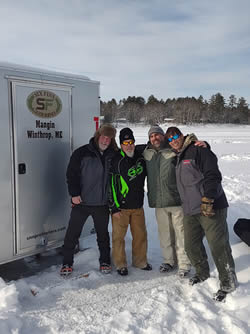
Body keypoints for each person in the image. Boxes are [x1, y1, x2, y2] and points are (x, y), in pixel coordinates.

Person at [166, 126, 238, 301]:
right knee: (190, 245)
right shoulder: (178, 156)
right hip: (191, 210)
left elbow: (213, 174)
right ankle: (202, 272)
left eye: (176, 136)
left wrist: (208, 198)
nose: (173, 140)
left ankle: (228, 282)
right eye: (170, 139)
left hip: (210, 206)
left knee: (218, 245)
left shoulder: (199, 150)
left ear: (182, 136)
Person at [60, 124, 118, 276]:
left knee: (103, 235)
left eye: (109, 138)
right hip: (82, 202)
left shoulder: (113, 154)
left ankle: (105, 261)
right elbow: (71, 174)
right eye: (104, 137)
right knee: (72, 234)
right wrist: (74, 194)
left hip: (102, 204)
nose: (106, 141)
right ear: (98, 135)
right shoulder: (82, 152)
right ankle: (67, 262)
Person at [143, 125, 191, 278]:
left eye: (157, 135)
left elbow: (188, 144)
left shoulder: (173, 150)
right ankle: (168, 261)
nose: (155, 138)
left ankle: (184, 264)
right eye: (152, 136)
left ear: (163, 136)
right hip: (158, 201)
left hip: (176, 199)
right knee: (164, 234)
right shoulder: (146, 153)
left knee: (180, 234)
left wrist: (198, 141)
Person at [109, 127, 152, 276]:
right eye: (125, 142)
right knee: (118, 238)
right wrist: (114, 207)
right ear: (121, 144)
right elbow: (112, 186)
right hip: (121, 208)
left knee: (140, 235)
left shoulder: (140, 156)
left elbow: (153, 145)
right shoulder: (116, 160)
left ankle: (140, 261)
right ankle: (120, 264)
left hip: (138, 206)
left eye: (131, 142)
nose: (129, 145)